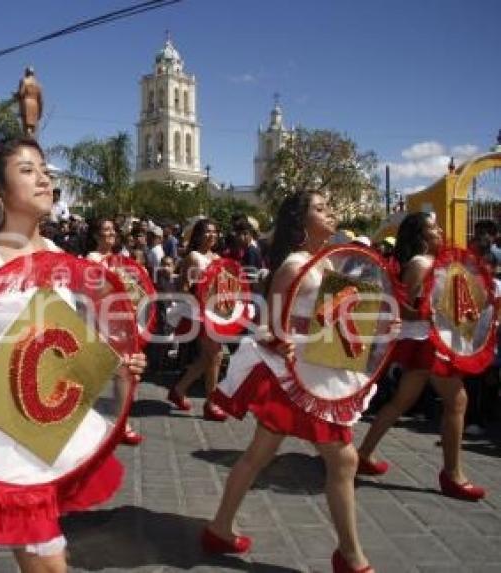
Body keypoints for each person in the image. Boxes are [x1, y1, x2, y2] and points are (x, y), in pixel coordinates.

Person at [0, 137, 146, 573]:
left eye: (45, 169)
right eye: (28, 170)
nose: (44, 178)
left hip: (47, 426)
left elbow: (77, 340)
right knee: (43, 560)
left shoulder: (61, 258)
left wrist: (117, 362)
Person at [205, 191, 374, 573]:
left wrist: (376, 325)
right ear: (300, 221)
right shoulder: (295, 265)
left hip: (317, 371)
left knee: (257, 456)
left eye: (329, 206)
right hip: (298, 377)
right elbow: (270, 323)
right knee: (343, 459)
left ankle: (219, 528)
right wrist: (278, 340)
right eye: (320, 208)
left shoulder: (325, 264)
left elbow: (335, 321)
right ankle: (351, 557)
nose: (330, 211)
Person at [356, 212, 487, 501]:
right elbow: (403, 306)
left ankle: (363, 454)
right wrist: (436, 312)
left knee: (403, 400)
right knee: (457, 400)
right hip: (426, 340)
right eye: (432, 227)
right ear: (420, 235)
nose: (439, 231)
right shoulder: (419, 263)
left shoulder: (437, 262)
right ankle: (452, 475)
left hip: (429, 339)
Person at [85, 217, 142, 446]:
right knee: (95, 373)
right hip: (99, 318)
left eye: (112, 229)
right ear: (96, 235)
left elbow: (136, 287)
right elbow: (94, 289)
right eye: (104, 229)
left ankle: (121, 423)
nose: (109, 233)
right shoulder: (92, 258)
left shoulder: (123, 258)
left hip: (122, 320)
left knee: (125, 371)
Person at [166, 217, 228, 422]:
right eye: (207, 232)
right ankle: (211, 403)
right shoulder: (193, 257)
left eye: (214, 231)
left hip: (215, 311)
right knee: (216, 355)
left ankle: (179, 389)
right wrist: (198, 295)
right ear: (198, 235)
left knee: (208, 358)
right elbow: (183, 287)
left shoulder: (218, 257)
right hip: (198, 312)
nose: (211, 235)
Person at [17, 66, 43, 137]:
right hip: (35, 105)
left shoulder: (24, 80)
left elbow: (21, 93)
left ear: (26, 72)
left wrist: (16, 95)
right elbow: (41, 100)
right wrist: (40, 112)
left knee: (26, 126)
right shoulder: (38, 84)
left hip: (26, 103)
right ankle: (31, 139)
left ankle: (27, 139)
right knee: (32, 126)